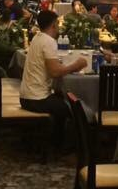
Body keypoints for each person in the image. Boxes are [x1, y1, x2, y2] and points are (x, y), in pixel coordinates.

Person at [20, 10, 87, 148]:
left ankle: (57, 141)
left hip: (26, 96)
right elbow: (55, 72)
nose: (58, 27)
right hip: (37, 99)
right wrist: (76, 65)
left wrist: (66, 66)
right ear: (53, 25)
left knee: (60, 99)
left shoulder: (38, 37)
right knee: (73, 108)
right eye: (57, 23)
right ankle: (66, 146)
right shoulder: (49, 41)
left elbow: (52, 67)